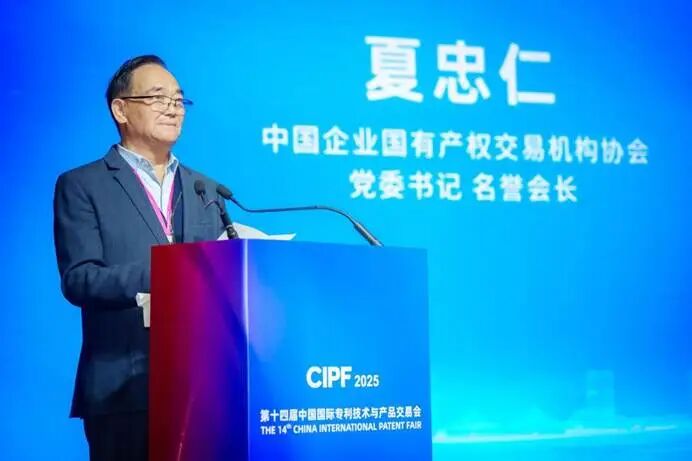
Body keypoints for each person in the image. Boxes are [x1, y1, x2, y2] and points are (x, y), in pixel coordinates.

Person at [53, 55, 229, 461]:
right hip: (124, 385)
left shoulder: (206, 189)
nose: (173, 107)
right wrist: (168, 274)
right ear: (121, 109)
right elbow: (79, 278)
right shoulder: (83, 184)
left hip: (205, 387)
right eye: (158, 97)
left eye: (179, 99)